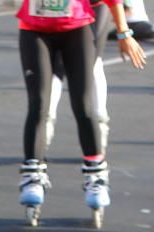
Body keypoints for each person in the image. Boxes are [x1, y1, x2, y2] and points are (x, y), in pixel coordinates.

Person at [0, 0, 146, 215]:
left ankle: (96, 176)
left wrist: (124, 33)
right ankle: (33, 175)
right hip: (35, 32)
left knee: (83, 105)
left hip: (77, 29)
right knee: (38, 105)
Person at [45, 1, 112, 153]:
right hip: (61, 5)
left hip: (94, 4)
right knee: (57, 64)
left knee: (91, 60)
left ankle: (99, 121)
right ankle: (46, 121)